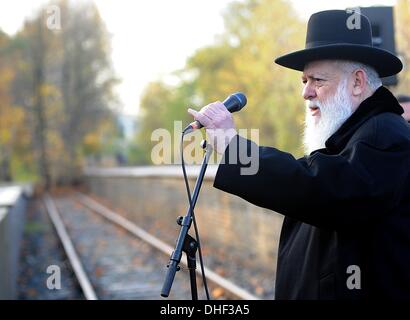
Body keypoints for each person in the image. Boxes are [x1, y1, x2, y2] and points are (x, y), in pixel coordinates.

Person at [188, 10, 410, 300]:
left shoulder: (386, 135)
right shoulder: (353, 134)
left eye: (317, 80)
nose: (306, 93)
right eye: (303, 81)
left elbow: (321, 188)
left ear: (357, 82)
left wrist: (234, 148)